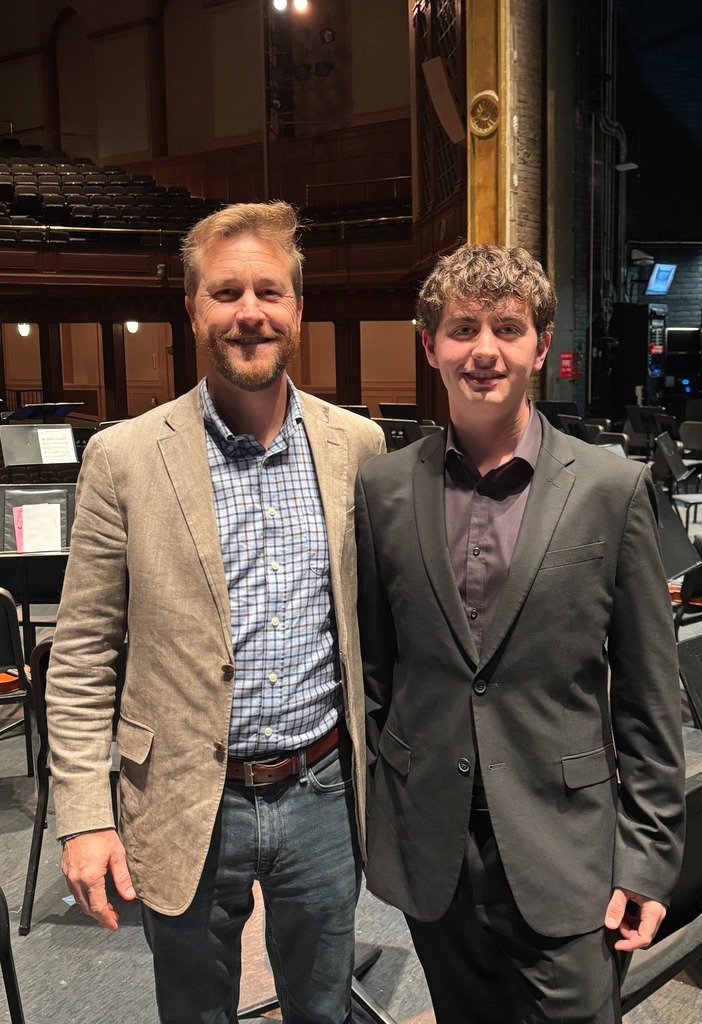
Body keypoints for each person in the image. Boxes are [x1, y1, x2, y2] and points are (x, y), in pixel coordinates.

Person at [47, 201, 385, 1024]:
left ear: (298, 311)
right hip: (181, 797)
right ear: (192, 309)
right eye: (226, 292)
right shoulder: (123, 457)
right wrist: (85, 818)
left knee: (323, 1011)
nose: (249, 313)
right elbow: (83, 653)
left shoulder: (359, 447)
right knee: (194, 1013)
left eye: (269, 292)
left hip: (322, 792)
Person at [355, 244, 686, 1024]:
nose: (483, 350)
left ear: (540, 346)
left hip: (564, 842)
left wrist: (644, 858)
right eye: (462, 328)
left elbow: (647, 694)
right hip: (429, 838)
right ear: (428, 344)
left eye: (506, 328)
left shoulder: (611, 488)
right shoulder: (382, 488)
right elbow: (374, 670)